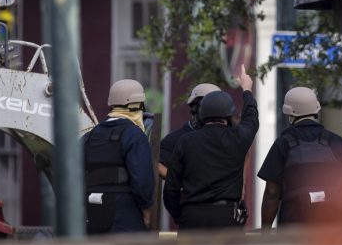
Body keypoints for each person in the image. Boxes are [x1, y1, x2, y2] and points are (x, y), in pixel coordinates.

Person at [163, 64, 258, 230]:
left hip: (192, 217)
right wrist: (247, 90)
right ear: (228, 115)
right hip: (227, 217)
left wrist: (182, 215)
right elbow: (251, 118)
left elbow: (171, 189)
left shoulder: (185, 142)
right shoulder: (238, 138)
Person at [258, 86, 342, 227]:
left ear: (290, 113)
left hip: (293, 225)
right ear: (316, 109)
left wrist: (265, 231)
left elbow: (271, 193)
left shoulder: (283, 144)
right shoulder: (336, 142)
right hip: (330, 225)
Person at [84, 79, 155, 235]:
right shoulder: (134, 135)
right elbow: (142, 180)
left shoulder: (90, 136)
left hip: (91, 214)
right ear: (135, 106)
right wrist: (146, 209)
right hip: (124, 214)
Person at [158, 82, 220, 179]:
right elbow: (157, 164)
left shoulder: (227, 136)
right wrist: (178, 183)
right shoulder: (176, 138)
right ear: (194, 109)